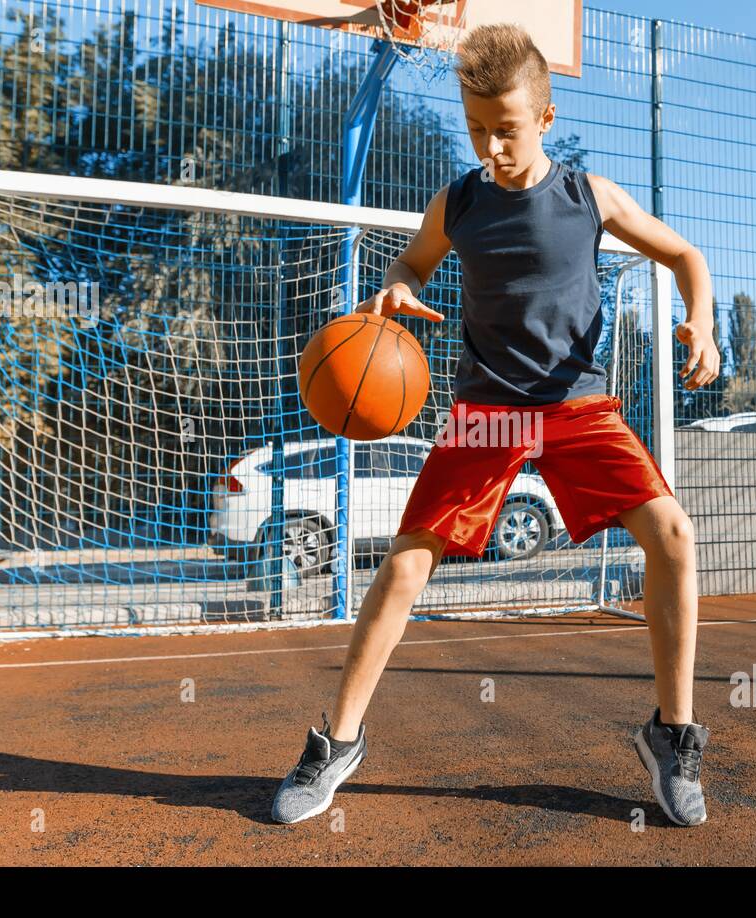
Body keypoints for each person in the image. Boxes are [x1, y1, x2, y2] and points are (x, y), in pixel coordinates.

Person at [272, 23, 720, 828]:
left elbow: (687, 258)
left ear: (544, 120)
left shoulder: (591, 197)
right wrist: (398, 287)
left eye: (505, 130)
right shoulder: (460, 200)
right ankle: (336, 741)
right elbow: (410, 262)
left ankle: (673, 734)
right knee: (406, 565)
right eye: (476, 128)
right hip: (486, 415)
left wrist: (703, 323)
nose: (491, 145)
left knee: (675, 537)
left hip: (577, 407)